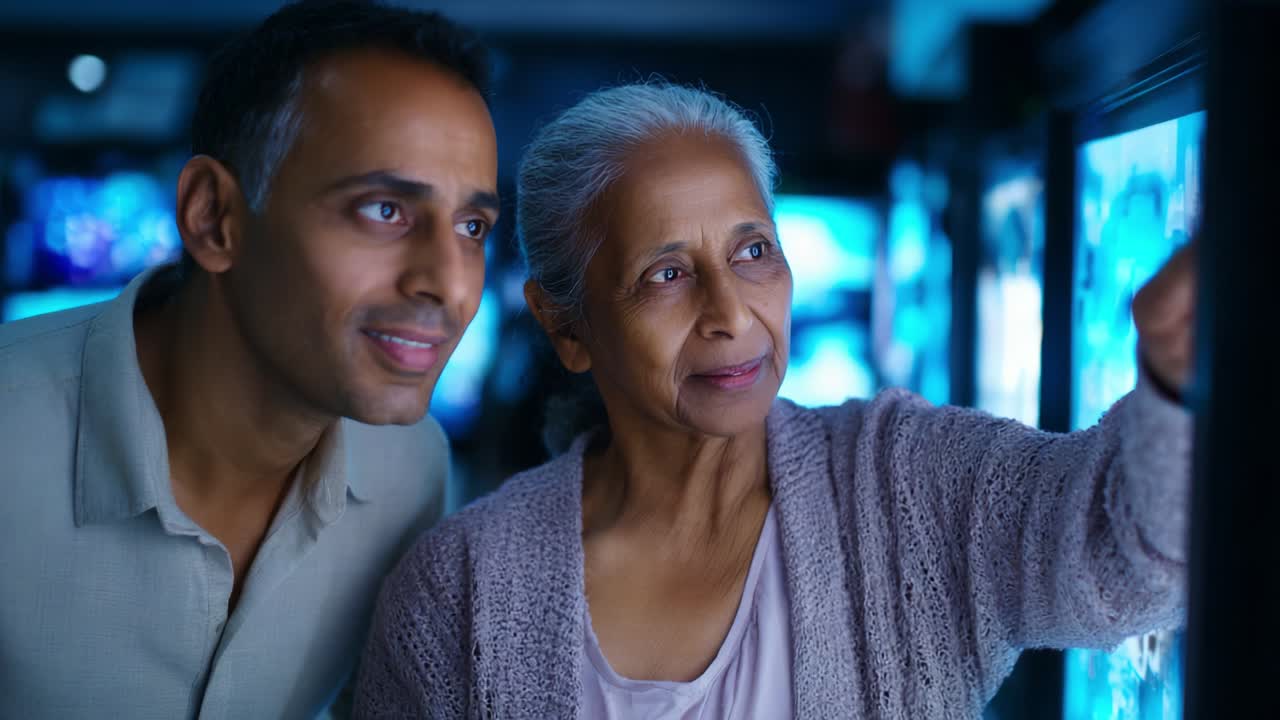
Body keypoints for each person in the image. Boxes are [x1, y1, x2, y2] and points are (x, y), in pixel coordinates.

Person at [355, 82, 1194, 719]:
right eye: (667, 274)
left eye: (753, 251)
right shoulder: (459, 590)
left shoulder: (909, 483)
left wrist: (1174, 376)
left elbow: (1126, 559)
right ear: (566, 326)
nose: (730, 313)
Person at [0, 1, 499, 717]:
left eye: (473, 226)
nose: (450, 285)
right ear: (214, 217)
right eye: (384, 210)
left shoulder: (410, 468)